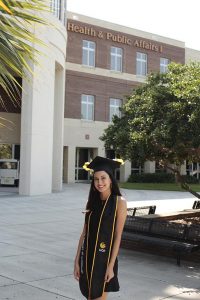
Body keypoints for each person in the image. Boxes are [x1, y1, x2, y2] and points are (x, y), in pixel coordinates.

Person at [74, 156, 127, 300]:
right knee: (90, 296)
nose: (100, 182)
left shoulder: (119, 203)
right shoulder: (91, 202)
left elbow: (117, 236)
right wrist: (77, 262)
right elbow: (84, 234)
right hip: (88, 258)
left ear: (110, 179)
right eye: (96, 179)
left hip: (105, 259)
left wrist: (110, 266)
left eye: (103, 178)